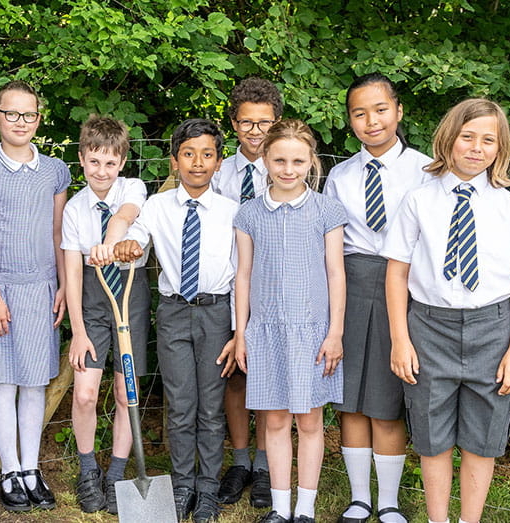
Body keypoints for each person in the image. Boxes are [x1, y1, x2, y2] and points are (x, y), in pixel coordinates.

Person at [382, 98, 510, 523]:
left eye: (488, 140)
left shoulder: (509, 206)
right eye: (467, 137)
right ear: (449, 140)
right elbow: (397, 274)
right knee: (432, 439)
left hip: (492, 330)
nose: (476, 147)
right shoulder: (419, 200)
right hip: (428, 329)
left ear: (500, 148)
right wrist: (400, 340)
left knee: (482, 439)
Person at [113, 118, 237, 522]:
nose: (197, 163)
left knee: (211, 407)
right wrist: (129, 243)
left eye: (207, 155)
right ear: (174, 161)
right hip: (173, 312)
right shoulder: (157, 206)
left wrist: (238, 327)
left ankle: (208, 489)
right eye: (188, 154)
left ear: (219, 162)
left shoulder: (232, 212)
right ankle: (182, 484)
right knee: (181, 404)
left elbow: (242, 271)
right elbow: (138, 236)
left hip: (216, 312)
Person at [322, 73, 430, 523]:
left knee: (386, 395)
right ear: (350, 120)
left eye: (380, 109)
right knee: (351, 397)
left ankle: (387, 500)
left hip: (404, 285)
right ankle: (358, 497)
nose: (371, 121)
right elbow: (328, 242)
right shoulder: (340, 175)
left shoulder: (428, 170)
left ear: (398, 111)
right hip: (350, 283)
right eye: (359, 113)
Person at [234, 119, 347, 523]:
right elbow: (243, 275)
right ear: (264, 159)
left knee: (310, 419)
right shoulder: (249, 213)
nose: (288, 169)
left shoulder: (326, 210)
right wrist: (242, 333)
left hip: (313, 332)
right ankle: (280, 509)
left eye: (298, 161)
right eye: (279, 159)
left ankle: (305, 508)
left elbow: (336, 273)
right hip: (265, 332)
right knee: (276, 419)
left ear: (311, 161)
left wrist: (335, 332)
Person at [0, 80, 70, 512]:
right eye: (11, 113)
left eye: (28, 114)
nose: (20, 122)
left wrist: (65, 283)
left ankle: (31, 469)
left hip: (43, 286)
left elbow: (58, 232)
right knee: (4, 380)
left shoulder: (54, 170)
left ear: (38, 118)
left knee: (34, 381)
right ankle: (9, 470)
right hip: (3, 288)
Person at [62, 115, 149, 515]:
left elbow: (125, 215)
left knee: (123, 391)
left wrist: (110, 242)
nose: (102, 171)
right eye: (94, 162)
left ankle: (115, 473)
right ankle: (87, 469)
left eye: (110, 163)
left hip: (130, 296)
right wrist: (78, 331)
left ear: (121, 164)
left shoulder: (132, 187)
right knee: (84, 394)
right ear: (81, 159)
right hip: (94, 303)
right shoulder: (76, 209)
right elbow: (73, 273)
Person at [212, 77, 284, 509]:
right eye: (246, 123)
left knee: (269, 376)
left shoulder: (290, 167)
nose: (255, 131)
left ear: (276, 122)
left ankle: (264, 464)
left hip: (273, 285)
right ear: (234, 123)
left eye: (264, 123)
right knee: (234, 374)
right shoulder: (218, 171)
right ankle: (239, 460)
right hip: (227, 282)